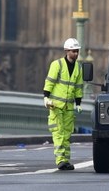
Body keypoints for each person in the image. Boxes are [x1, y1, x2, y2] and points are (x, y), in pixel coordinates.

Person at [43, 38, 83, 170]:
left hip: (69, 107)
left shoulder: (78, 67)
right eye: (73, 51)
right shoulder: (57, 65)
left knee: (67, 134)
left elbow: (78, 87)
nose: (76, 54)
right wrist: (46, 98)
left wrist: (78, 103)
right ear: (67, 51)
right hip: (56, 105)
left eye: (77, 51)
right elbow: (49, 82)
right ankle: (60, 159)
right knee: (58, 132)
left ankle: (65, 160)